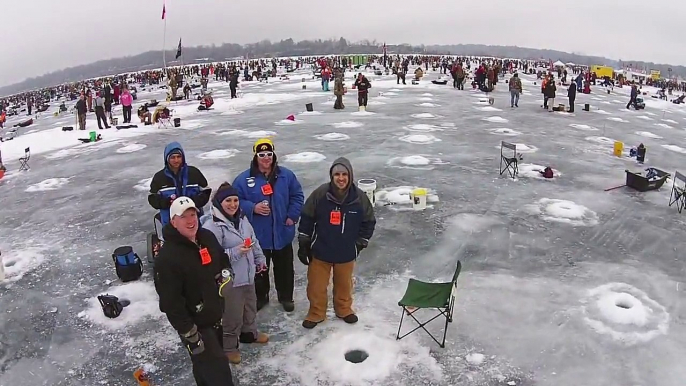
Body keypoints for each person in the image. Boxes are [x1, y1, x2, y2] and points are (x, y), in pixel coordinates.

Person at [154, 196, 236, 386]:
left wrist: (225, 274)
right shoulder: (167, 258)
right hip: (196, 327)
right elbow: (170, 302)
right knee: (219, 373)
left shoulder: (206, 237)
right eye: (184, 217)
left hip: (215, 315)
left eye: (193, 214)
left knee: (204, 367)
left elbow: (222, 258)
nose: (191, 221)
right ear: (173, 221)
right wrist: (189, 333)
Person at [297, 157, 376, 329]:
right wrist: (304, 242)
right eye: (337, 174)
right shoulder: (320, 194)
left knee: (344, 285)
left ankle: (344, 309)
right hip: (321, 250)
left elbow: (369, 221)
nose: (341, 178)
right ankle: (316, 313)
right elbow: (307, 218)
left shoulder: (359, 197)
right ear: (332, 176)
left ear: (350, 175)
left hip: (346, 252)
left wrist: (361, 243)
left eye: (344, 174)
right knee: (316, 286)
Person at [232, 138, 304, 312]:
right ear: (256, 156)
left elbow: (297, 195)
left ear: (274, 155)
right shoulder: (243, 179)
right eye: (261, 154)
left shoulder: (286, 175)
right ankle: (261, 297)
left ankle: (286, 297)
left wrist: (292, 216)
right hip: (258, 235)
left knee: (285, 268)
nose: (266, 158)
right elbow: (233, 201)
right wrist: (252, 207)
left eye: (269, 154)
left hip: (282, 231)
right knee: (259, 268)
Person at [201, 183, 269, 364]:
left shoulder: (243, 219)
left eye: (235, 200)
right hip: (230, 281)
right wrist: (237, 251)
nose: (233, 204)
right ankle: (229, 347)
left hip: (248, 275)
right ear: (218, 203)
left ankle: (250, 333)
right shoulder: (212, 227)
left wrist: (259, 259)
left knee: (250, 307)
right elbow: (214, 259)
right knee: (232, 315)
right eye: (228, 201)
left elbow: (253, 241)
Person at [148, 142, 211, 251]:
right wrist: (167, 202)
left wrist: (193, 202)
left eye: (179, 157)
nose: (176, 160)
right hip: (170, 222)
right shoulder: (159, 178)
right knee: (175, 250)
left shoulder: (193, 173)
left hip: (193, 220)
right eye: (173, 157)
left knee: (196, 247)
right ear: (167, 159)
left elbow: (206, 191)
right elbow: (152, 198)